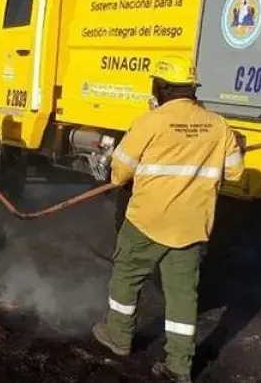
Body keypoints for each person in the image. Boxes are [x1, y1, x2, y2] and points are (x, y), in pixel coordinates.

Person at [91, 55, 245, 383]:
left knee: (127, 275)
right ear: (192, 89)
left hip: (147, 219)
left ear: (160, 88)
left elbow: (119, 174)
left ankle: (118, 337)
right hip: (192, 224)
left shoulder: (150, 122)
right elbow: (235, 171)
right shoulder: (219, 126)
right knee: (183, 294)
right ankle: (180, 365)